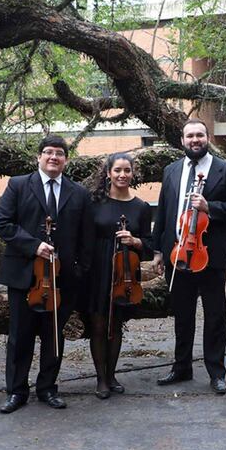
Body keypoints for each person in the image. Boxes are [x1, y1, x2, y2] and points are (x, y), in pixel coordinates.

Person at [0, 135, 93, 414]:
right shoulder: (18, 185)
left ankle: (48, 387)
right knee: (20, 336)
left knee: (54, 336)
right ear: (38, 157)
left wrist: (78, 272)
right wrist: (34, 245)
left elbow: (87, 238)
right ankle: (16, 391)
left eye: (59, 153)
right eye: (48, 152)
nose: (53, 157)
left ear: (66, 160)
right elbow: (2, 223)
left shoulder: (79, 193)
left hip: (63, 281)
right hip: (24, 275)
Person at [151, 118, 226, 394]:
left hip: (209, 254)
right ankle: (181, 367)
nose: (195, 140)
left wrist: (208, 206)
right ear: (182, 140)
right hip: (177, 253)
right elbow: (164, 210)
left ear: (207, 138)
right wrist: (158, 251)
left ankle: (216, 372)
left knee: (215, 315)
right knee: (182, 314)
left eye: (200, 135)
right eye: (190, 136)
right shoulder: (172, 170)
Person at [87, 153, 153, 399]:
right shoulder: (95, 203)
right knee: (99, 323)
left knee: (116, 325)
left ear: (133, 173)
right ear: (108, 173)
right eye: (117, 170)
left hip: (124, 272)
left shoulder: (142, 207)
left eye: (127, 170)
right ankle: (100, 378)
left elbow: (148, 243)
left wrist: (135, 241)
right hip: (98, 269)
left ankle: (112, 374)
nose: (122, 175)